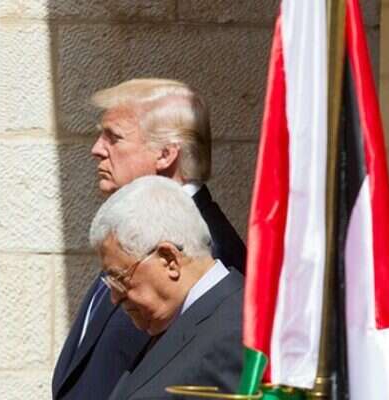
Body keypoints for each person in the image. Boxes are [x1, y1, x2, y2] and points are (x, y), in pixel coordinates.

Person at [52, 79, 246, 399]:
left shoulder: (210, 252)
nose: (96, 149)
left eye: (114, 137)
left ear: (166, 154)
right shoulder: (130, 235)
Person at [90, 176, 243, 399]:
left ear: (169, 259)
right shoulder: (174, 321)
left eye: (119, 278)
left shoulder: (236, 333)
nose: (114, 298)